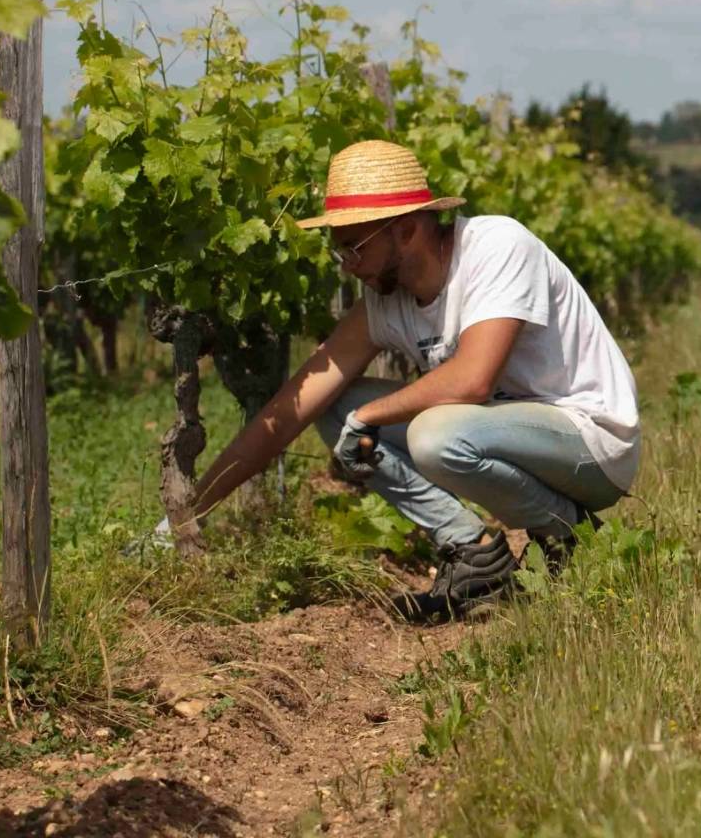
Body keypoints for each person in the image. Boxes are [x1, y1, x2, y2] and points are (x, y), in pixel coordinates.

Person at [182, 139, 640, 620]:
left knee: (432, 435)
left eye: (354, 248)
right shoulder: (386, 304)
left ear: (405, 231)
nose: (348, 266)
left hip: (592, 444)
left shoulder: (497, 246)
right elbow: (290, 409)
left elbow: (472, 380)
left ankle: (568, 535)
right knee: (335, 406)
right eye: (340, 251)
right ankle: (473, 552)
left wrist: (371, 416)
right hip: (508, 436)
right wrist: (188, 514)